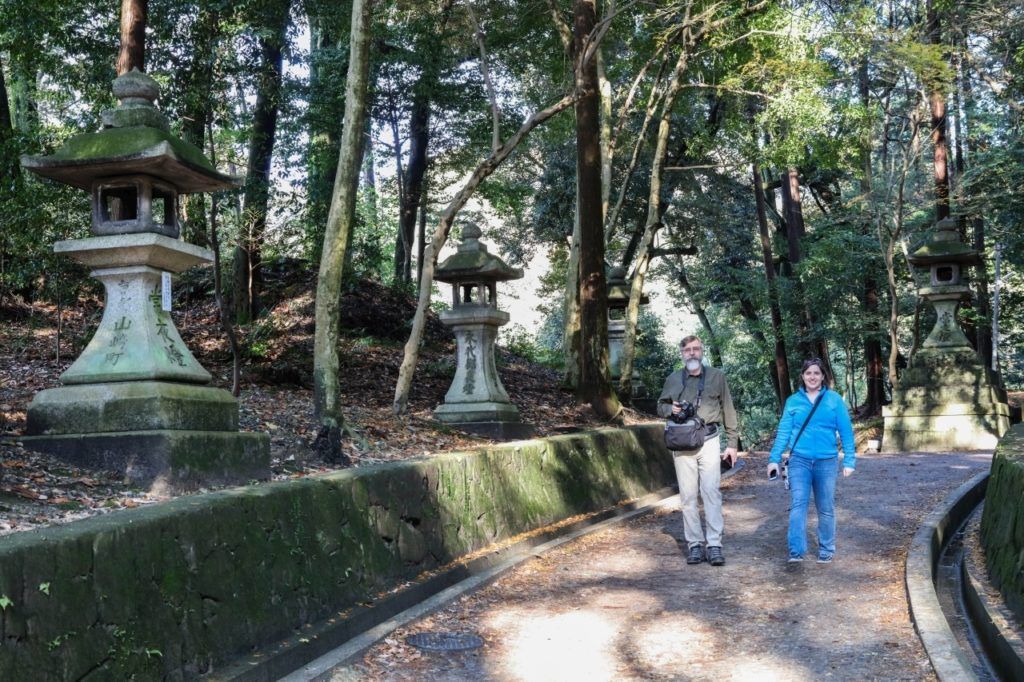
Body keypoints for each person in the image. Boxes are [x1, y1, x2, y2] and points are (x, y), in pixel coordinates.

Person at [657, 335, 739, 566]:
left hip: (710, 440)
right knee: (688, 496)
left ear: (702, 352)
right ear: (682, 354)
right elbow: (659, 405)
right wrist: (669, 409)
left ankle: (714, 544)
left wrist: (732, 444)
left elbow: (728, 409)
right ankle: (694, 544)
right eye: (687, 350)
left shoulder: (716, 376)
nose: (692, 353)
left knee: (711, 492)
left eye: (696, 349)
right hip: (682, 442)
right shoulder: (673, 379)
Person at [767, 358, 856, 564]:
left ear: (823, 376)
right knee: (798, 504)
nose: (812, 377)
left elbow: (846, 432)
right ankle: (796, 551)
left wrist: (849, 460)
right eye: (808, 373)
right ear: (803, 376)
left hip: (827, 461)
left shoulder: (834, 400)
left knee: (825, 506)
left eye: (816, 373)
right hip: (799, 460)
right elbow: (783, 433)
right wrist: (773, 459)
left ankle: (826, 548)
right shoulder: (793, 401)